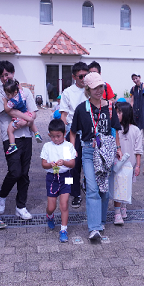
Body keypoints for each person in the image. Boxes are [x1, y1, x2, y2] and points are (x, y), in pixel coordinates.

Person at [70, 72, 122, 243]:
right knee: (92, 188)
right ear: (87, 89)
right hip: (88, 152)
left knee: (103, 189)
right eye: (95, 88)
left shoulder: (109, 107)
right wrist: (72, 149)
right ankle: (94, 229)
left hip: (106, 152)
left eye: (101, 86)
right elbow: (73, 132)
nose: (99, 90)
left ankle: (100, 222)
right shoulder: (81, 109)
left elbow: (114, 130)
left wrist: (118, 148)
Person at [0, 60, 37, 220]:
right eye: (1, 75)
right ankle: (2, 195)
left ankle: (21, 206)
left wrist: (27, 119)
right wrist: (28, 119)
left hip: (26, 136)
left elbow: (34, 112)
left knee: (24, 173)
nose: (5, 78)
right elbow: (9, 112)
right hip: (10, 137)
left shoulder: (25, 91)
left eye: (7, 74)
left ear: (13, 73)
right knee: (15, 171)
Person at [40, 119, 77, 243]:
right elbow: (43, 164)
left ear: (64, 133)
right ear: (49, 135)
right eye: (53, 136)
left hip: (66, 176)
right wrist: (50, 164)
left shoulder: (68, 146)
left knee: (64, 204)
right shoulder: (47, 146)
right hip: (51, 178)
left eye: (58, 136)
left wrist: (64, 162)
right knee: (51, 206)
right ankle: (49, 216)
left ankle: (63, 229)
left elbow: (72, 164)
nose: (56, 139)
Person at [60, 61, 89, 208]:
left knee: (89, 162)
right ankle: (74, 192)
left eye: (86, 75)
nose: (84, 78)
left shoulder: (91, 90)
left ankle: (87, 187)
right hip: (73, 131)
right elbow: (64, 115)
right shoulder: (67, 92)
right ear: (74, 77)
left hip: (89, 131)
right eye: (81, 76)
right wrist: (61, 134)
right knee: (72, 165)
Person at [113, 101, 142, 225]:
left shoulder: (135, 130)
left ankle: (124, 207)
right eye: (116, 112)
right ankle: (117, 212)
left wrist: (138, 166)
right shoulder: (115, 130)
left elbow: (138, 149)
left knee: (127, 186)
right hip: (118, 165)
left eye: (119, 112)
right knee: (118, 187)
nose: (116, 115)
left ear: (125, 113)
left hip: (130, 166)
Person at [2, 78, 42, 155]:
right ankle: (37, 133)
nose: (7, 96)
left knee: (9, 130)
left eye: (8, 94)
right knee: (31, 122)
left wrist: (5, 102)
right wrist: (16, 83)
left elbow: (7, 110)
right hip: (26, 113)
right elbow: (19, 87)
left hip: (18, 117)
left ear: (14, 92)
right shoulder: (21, 93)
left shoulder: (12, 101)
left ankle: (12, 145)